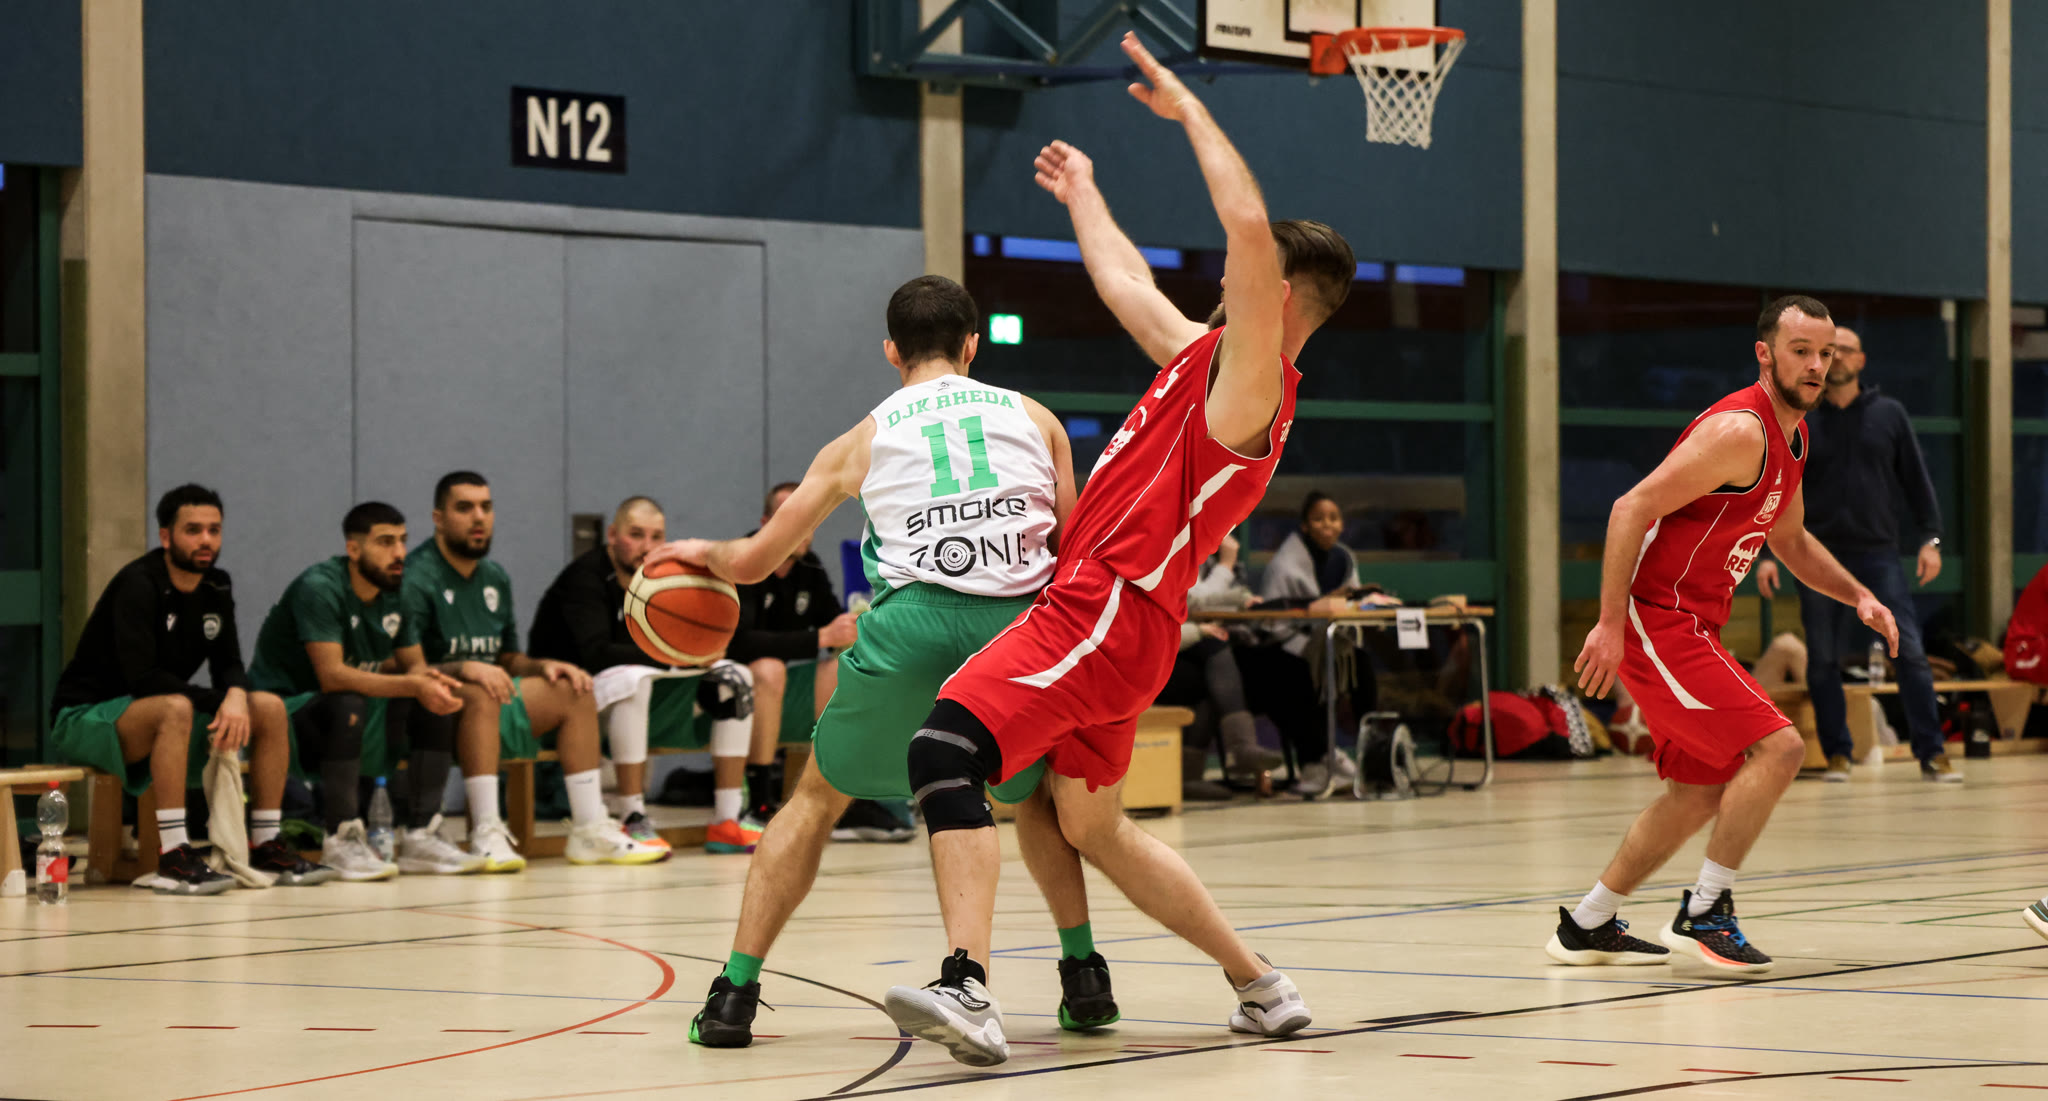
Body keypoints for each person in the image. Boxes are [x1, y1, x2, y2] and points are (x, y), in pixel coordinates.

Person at [876, 33, 1348, 1066]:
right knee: (1091, 826)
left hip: (1102, 608)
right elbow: (1127, 284)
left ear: (1276, 295)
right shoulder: (1202, 361)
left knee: (943, 749)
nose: (1224, 278)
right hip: (1125, 624)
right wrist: (1084, 193)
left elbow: (1246, 227)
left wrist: (1189, 111)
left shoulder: (1253, 385)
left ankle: (968, 989)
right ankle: (1261, 986)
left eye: (1245, 274)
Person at [650, 272, 1119, 1050]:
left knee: (814, 798)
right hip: (1017, 631)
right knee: (1032, 798)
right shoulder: (1038, 419)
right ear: (973, 345)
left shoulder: (858, 440)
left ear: (892, 352)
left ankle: (733, 992)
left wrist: (703, 550)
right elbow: (1073, 550)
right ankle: (1084, 975)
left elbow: (758, 560)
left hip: (910, 627)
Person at [1554, 296, 1900, 975]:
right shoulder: (1741, 431)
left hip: (1694, 622)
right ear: (1765, 354)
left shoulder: (1795, 437)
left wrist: (1859, 594)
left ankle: (1587, 922)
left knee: (1698, 791)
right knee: (1781, 747)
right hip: (1658, 616)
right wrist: (1609, 623)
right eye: (1801, 350)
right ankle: (1706, 911)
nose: (1816, 364)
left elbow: (1791, 541)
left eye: (1825, 353)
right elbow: (1630, 507)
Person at [48, 485, 331, 894]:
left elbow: (228, 662)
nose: (206, 540)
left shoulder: (216, 585)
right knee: (176, 708)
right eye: (193, 530)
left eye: (214, 530)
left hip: (158, 710)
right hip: (86, 716)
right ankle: (174, 854)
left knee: (268, 707)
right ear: (166, 537)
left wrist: (236, 695)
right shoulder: (139, 584)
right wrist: (222, 700)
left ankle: (266, 844)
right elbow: (143, 678)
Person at [403, 472, 664, 869]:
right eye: (465, 508)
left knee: (575, 687)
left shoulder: (494, 577)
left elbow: (509, 659)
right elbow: (407, 668)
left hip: (490, 696)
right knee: (480, 691)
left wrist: (544, 665)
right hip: (430, 707)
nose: (479, 517)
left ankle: (589, 827)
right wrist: (465, 668)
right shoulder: (416, 577)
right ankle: (486, 830)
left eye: (486, 507)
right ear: (438, 518)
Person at [1751, 324, 1958, 783]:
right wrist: (1768, 553)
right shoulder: (1803, 418)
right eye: (1830, 352)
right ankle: (1838, 754)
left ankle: (1932, 752)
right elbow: (1780, 487)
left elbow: (1918, 482)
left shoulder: (1889, 414)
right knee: (1822, 657)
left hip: (1878, 555)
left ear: (1861, 361)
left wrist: (1931, 539)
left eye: (1844, 350)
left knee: (1909, 650)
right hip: (1816, 556)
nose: (1837, 358)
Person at [248, 502, 478, 880]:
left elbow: (415, 667)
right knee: (348, 702)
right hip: (286, 713)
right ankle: (341, 838)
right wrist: (413, 683)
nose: (399, 553)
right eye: (386, 542)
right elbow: (332, 677)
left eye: (402, 541)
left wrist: (431, 684)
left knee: (432, 700)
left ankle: (422, 834)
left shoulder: (397, 591)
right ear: (353, 549)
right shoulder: (320, 587)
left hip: (352, 712)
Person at [528, 494, 756, 854]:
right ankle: (633, 815)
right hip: (574, 699)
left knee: (735, 677)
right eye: (636, 535)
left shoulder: (671, 576)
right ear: (612, 535)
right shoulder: (584, 577)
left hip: (642, 693)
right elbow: (597, 653)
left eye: (656, 537)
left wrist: (698, 651)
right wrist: (682, 656)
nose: (646, 547)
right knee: (632, 679)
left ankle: (727, 819)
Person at [718, 483, 860, 841]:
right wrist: (819, 638)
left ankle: (839, 793)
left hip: (783, 686)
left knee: (843, 669)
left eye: (810, 518)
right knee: (769, 668)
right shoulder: (743, 560)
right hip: (726, 685)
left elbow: (832, 626)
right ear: (767, 523)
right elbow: (738, 642)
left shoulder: (809, 566)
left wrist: (856, 629)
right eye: (792, 516)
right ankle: (759, 801)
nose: (803, 527)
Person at [1240, 490, 1369, 797]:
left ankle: (1372, 754)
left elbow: (1353, 604)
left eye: (1334, 518)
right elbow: (1270, 623)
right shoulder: (1284, 564)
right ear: (1305, 526)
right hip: (1281, 645)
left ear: (1342, 524)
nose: (1328, 525)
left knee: (1360, 663)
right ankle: (1317, 761)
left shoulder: (1344, 559)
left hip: (1326, 640)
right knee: (1297, 670)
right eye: (1319, 519)